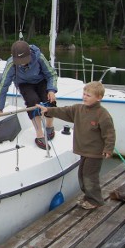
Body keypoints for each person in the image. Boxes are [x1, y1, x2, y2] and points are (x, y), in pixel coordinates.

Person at [38, 81, 116, 209]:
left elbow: (109, 133)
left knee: (90, 177)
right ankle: (88, 197)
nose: (85, 97)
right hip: (84, 151)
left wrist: (108, 149)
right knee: (81, 175)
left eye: (88, 95)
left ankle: (95, 201)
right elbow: (64, 111)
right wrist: (48, 110)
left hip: (95, 153)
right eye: (84, 94)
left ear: (99, 98)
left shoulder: (102, 114)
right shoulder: (78, 109)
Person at [0, 40, 58, 149]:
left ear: (30, 54)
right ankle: (39, 135)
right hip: (24, 84)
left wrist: (51, 90)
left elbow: (51, 74)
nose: (22, 63)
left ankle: (50, 127)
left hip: (41, 81)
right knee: (32, 102)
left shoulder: (39, 57)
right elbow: (3, 85)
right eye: (19, 61)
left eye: (24, 60)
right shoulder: (11, 64)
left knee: (49, 101)